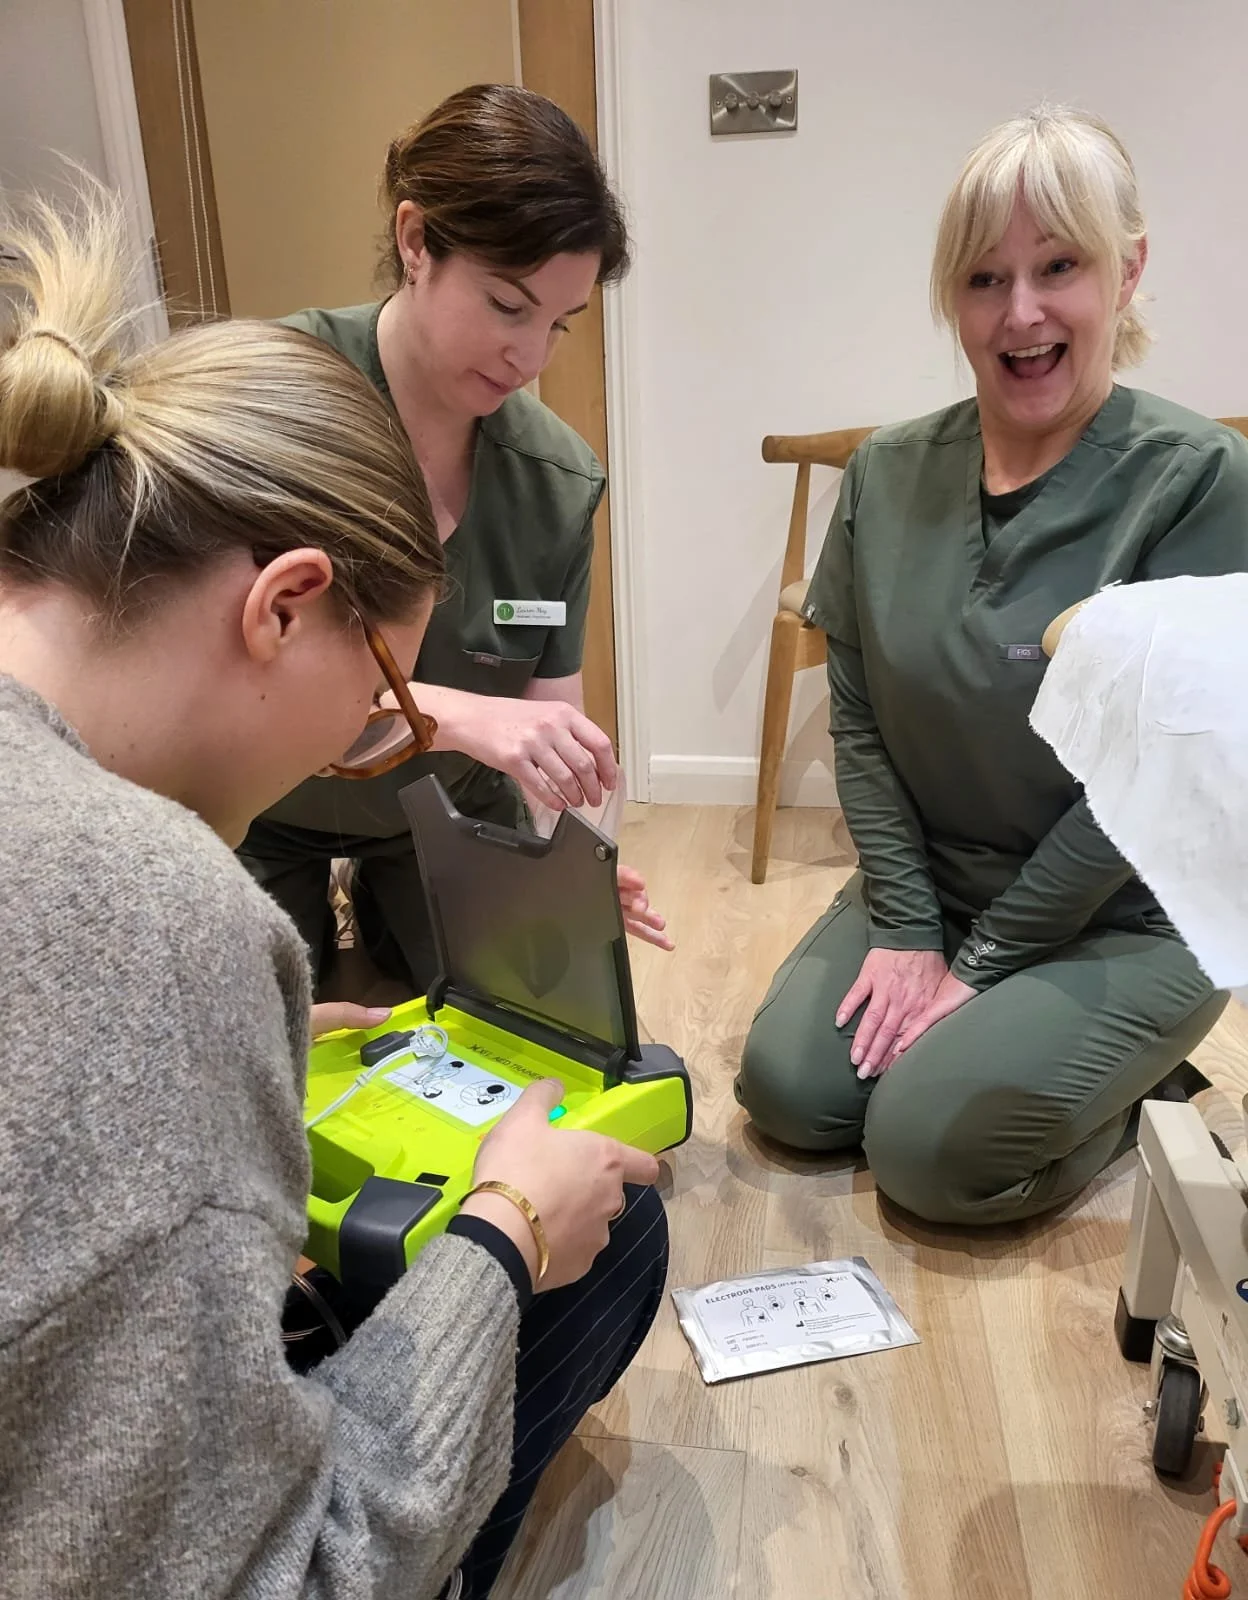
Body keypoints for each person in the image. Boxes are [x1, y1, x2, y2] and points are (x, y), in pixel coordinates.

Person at [0, 182, 667, 1600]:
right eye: (378, 710)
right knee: (611, 1226)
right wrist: (505, 1232)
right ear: (285, 603)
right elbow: (300, 1573)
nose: (369, 748)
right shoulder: (165, 911)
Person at [736, 105, 1248, 1226]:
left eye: (1059, 266)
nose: (1020, 313)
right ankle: (1003, 1046)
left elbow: (1140, 786)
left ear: (1128, 271)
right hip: (941, 883)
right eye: (983, 278)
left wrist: (985, 965)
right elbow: (860, 719)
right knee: (790, 1095)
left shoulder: (1201, 480)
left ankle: (1131, 1093)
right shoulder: (884, 476)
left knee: (926, 1153)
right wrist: (915, 930)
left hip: (1132, 909)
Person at [239, 84, 671, 996]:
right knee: (253, 1020)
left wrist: (567, 882)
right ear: (414, 240)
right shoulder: (274, 401)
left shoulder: (555, 481)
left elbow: (557, 734)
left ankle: (400, 900)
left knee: (518, 994)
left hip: (438, 815)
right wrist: (465, 714)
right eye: (508, 305)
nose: (531, 359)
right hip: (257, 801)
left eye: (559, 324)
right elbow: (227, 679)